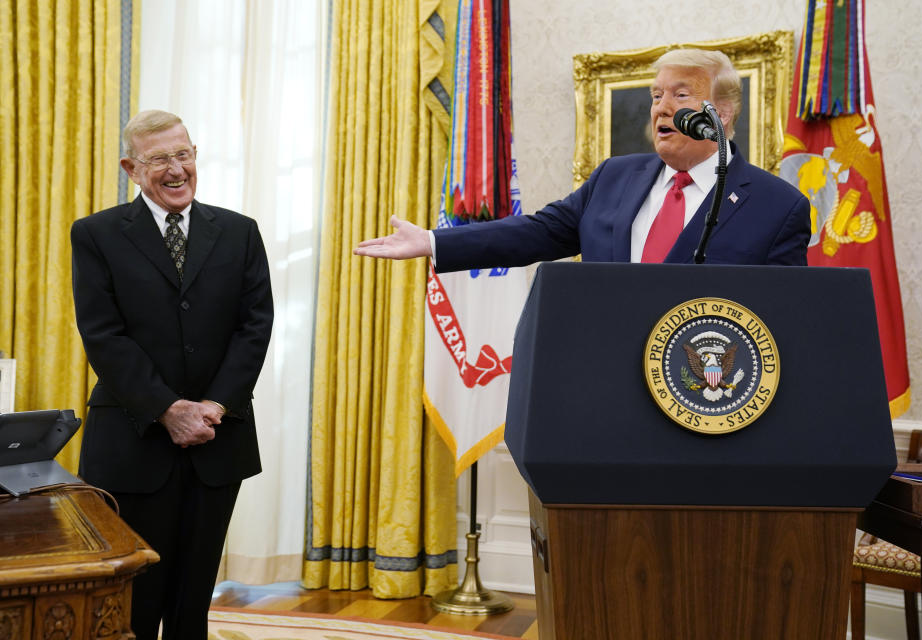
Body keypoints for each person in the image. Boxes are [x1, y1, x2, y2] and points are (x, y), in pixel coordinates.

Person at [70, 110, 273, 640]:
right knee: (132, 603)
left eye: (184, 154)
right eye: (159, 158)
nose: (176, 168)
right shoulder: (96, 235)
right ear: (131, 169)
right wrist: (168, 408)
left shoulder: (239, 232)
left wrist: (216, 406)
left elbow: (255, 328)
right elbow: (102, 335)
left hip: (217, 438)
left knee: (193, 603)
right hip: (132, 443)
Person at [355, 48, 811, 268]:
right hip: (601, 385)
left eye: (681, 94)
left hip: (703, 399)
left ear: (723, 112)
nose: (661, 107)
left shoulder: (778, 208)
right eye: (656, 95)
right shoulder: (616, 176)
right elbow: (541, 231)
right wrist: (435, 242)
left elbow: (782, 322)